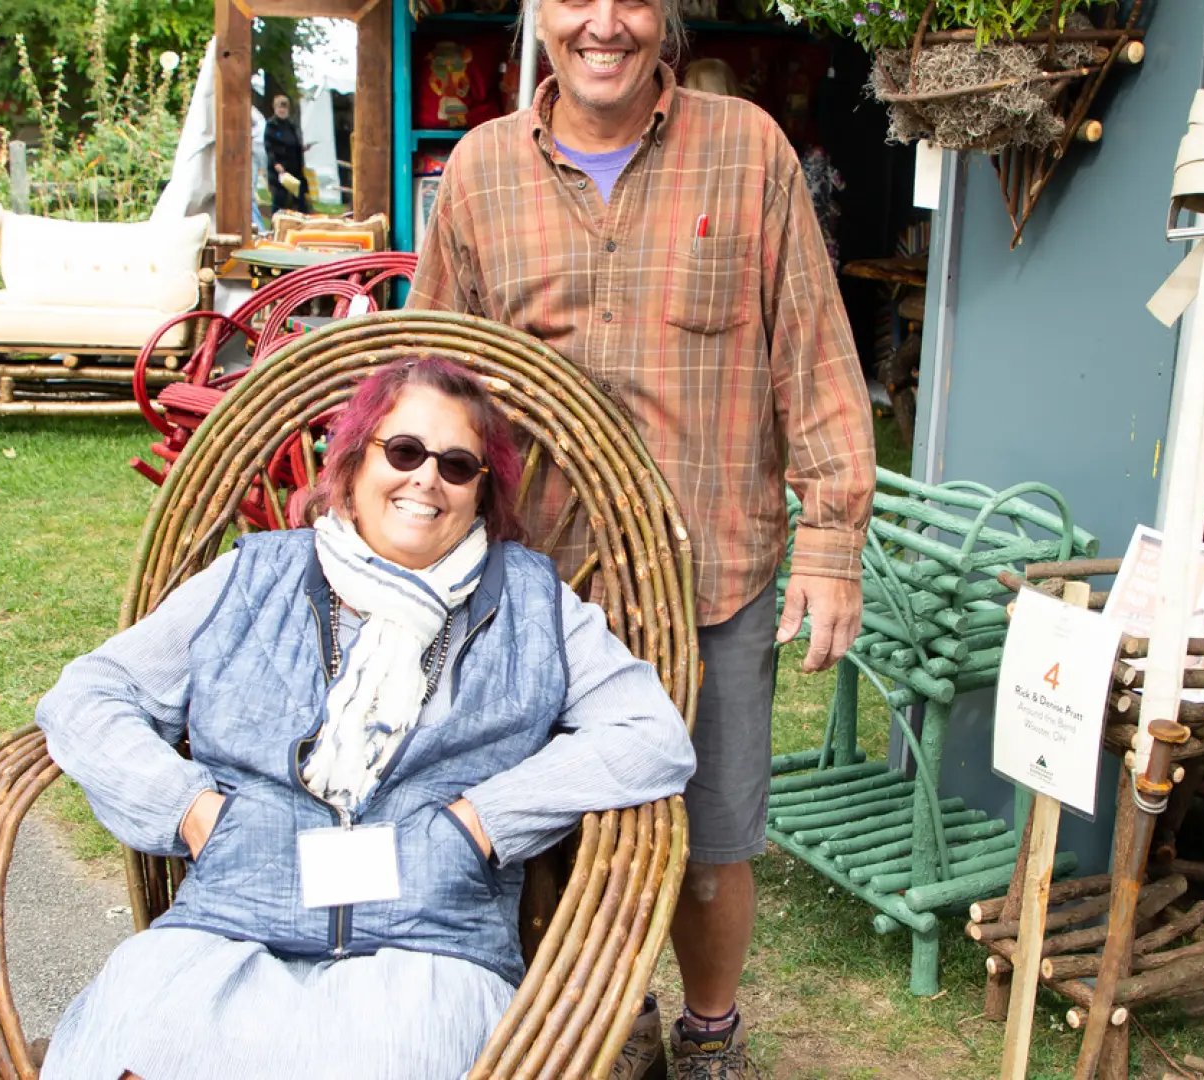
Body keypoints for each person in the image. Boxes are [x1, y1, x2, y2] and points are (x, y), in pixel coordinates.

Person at [408, 0, 875, 1073]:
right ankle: (609, 1019)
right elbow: (431, 378)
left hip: (711, 572)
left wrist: (832, 543)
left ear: (667, 17)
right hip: (537, 591)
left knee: (710, 845)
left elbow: (813, 351)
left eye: (632, 0)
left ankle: (710, 1032)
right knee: (552, 834)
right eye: (577, 0)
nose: (604, 25)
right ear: (540, 14)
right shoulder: (480, 173)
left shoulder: (747, 150)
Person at [34, 357, 697, 1080]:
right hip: (229, 924)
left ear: (482, 494)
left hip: (428, 951)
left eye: (456, 465)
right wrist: (192, 812)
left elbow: (649, 737)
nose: (426, 479)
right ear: (352, 466)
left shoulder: (535, 605)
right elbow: (89, 697)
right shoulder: (253, 576)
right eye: (404, 451)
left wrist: (479, 824)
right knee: (144, 1051)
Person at [264, 93, 309, 212]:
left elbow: (295, 142)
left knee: (300, 201)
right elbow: (269, 147)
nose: (282, 110)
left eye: (285, 107)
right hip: (280, 170)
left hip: (294, 169)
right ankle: (275, 225)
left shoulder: (291, 125)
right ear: (275, 108)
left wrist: (302, 148)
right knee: (279, 201)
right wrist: (275, 163)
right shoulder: (271, 126)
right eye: (280, 107)